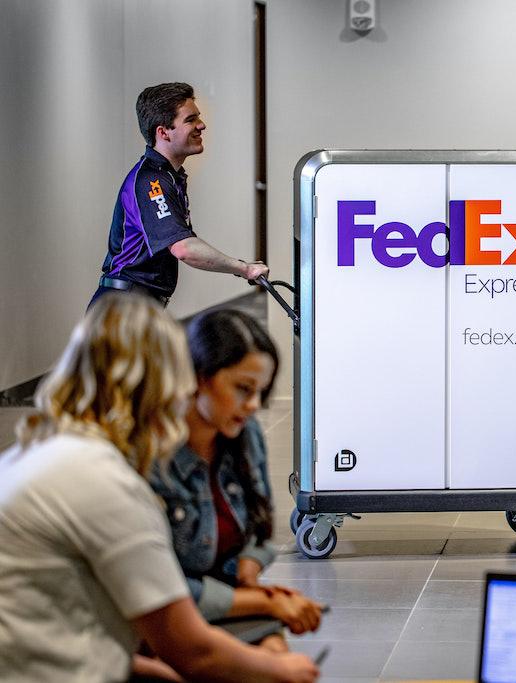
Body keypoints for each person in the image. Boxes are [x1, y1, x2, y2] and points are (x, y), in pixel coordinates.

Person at [0, 293, 318, 683]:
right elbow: (193, 650)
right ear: (157, 389)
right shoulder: (103, 481)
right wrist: (282, 669)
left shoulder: (36, 453)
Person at [149, 309, 322, 644]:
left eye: (261, 391)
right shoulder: (150, 457)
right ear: (199, 377)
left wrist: (249, 569)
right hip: (163, 622)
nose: (254, 405)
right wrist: (260, 601)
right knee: (269, 666)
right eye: (244, 388)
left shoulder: (245, 434)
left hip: (221, 604)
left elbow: (258, 531)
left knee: (276, 654)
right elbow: (153, 590)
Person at [89, 82, 268, 309]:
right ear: (163, 132)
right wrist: (245, 269)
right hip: (123, 308)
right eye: (190, 120)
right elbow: (184, 248)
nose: (201, 126)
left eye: (198, 118)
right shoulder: (151, 182)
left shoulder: (169, 177)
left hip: (136, 304)